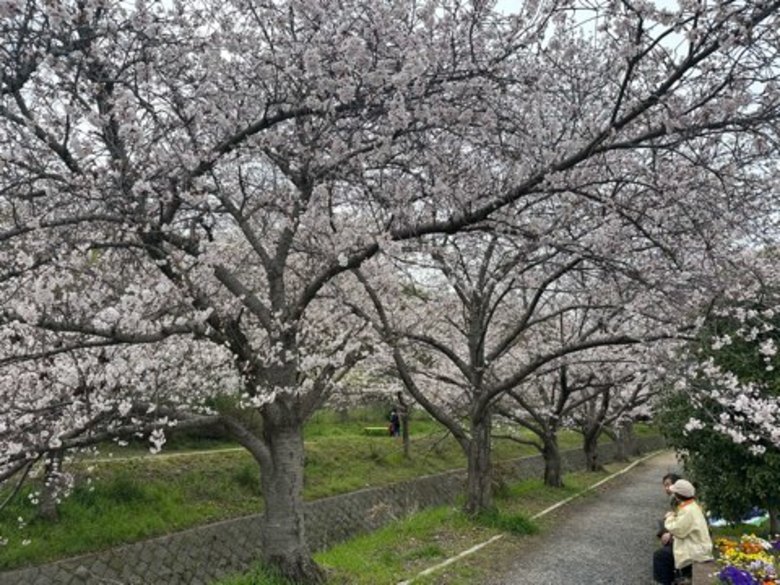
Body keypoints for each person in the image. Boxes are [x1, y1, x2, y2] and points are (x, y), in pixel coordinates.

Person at [655, 479, 714, 585]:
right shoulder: (691, 506)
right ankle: (672, 578)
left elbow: (676, 529)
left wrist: (669, 517)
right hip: (695, 542)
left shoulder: (688, 510)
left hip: (696, 548)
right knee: (666, 551)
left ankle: (666, 582)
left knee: (661, 556)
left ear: (678, 495)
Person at [653, 473, 682, 584]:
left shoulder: (682, 499)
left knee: (660, 555)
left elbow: (686, 523)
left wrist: (671, 534)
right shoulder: (676, 499)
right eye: (664, 486)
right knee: (663, 523)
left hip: (689, 543)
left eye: (668, 485)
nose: (666, 488)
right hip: (682, 536)